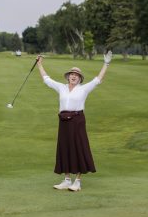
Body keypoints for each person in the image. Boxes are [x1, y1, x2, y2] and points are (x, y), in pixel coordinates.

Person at [37, 51, 112, 191]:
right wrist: (39, 64)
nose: (73, 76)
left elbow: (98, 80)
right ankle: (66, 180)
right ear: (68, 77)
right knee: (64, 148)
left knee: (79, 148)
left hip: (77, 121)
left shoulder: (84, 89)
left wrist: (106, 64)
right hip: (64, 121)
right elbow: (46, 79)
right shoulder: (61, 87)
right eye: (72, 74)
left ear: (80, 79)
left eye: (76, 75)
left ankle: (77, 182)